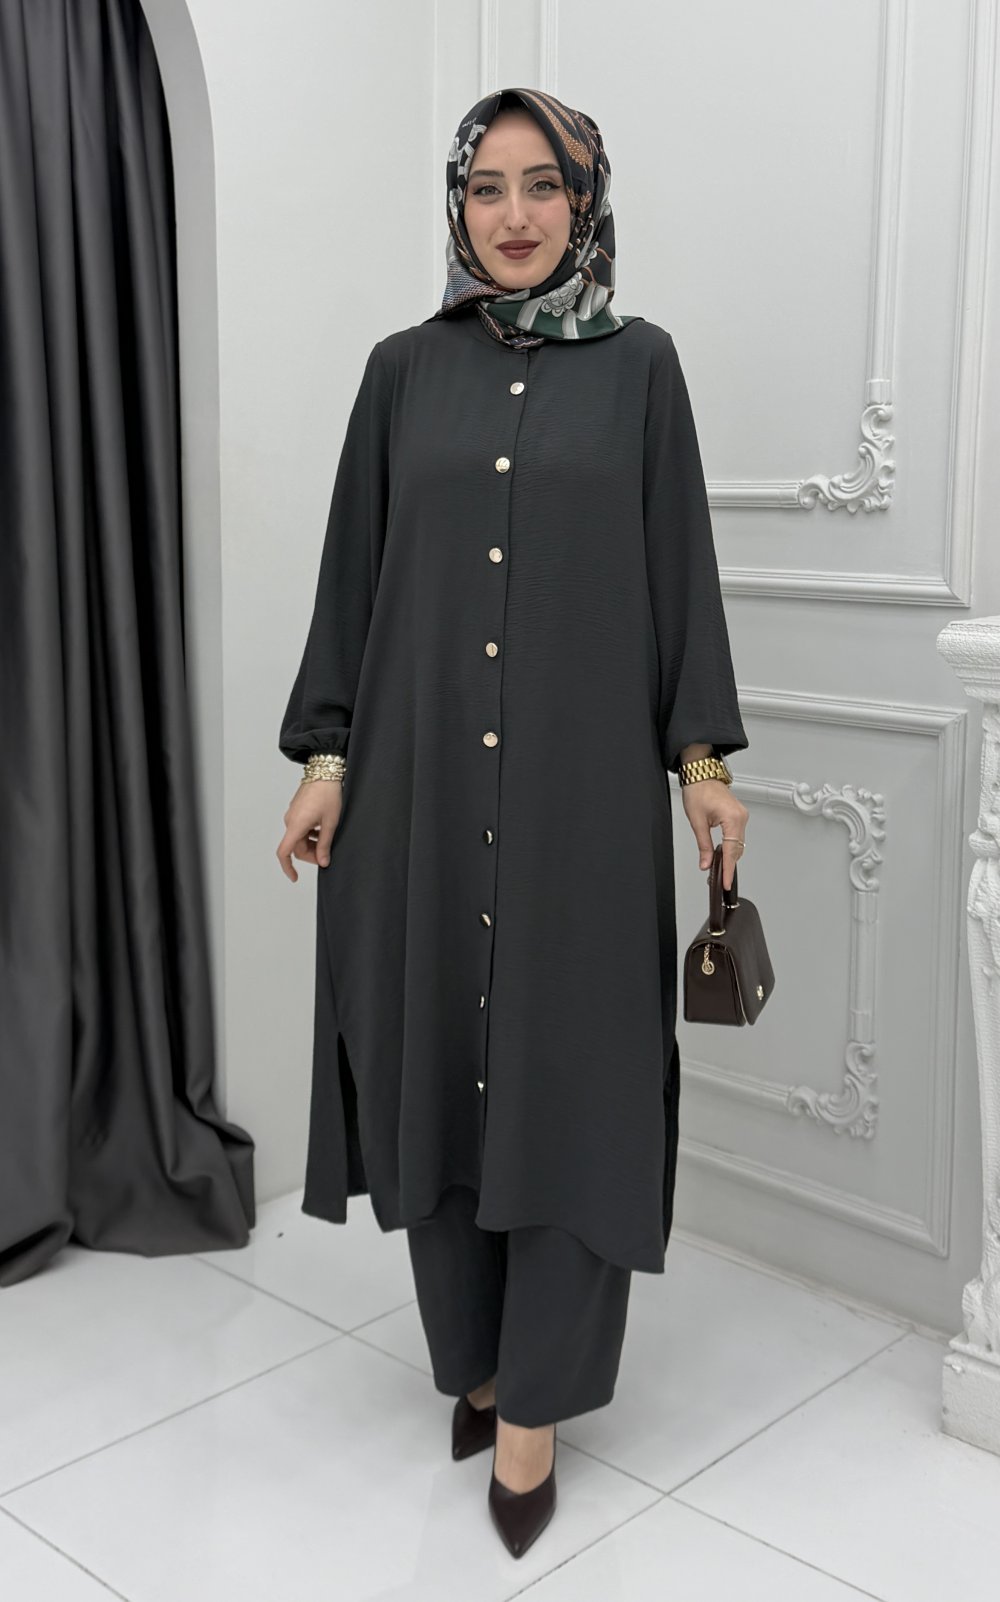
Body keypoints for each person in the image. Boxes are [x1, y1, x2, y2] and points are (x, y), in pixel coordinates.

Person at [275, 86, 750, 1559]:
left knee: (573, 1079)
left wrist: (702, 764)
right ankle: (473, 1360)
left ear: (585, 199)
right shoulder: (400, 372)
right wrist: (327, 757)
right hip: (416, 791)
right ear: (458, 205)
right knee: (435, 1066)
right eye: (487, 187)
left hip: (579, 806)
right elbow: (353, 577)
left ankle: (534, 1402)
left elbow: (679, 570)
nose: (516, 214)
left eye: (543, 185)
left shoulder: (642, 369)